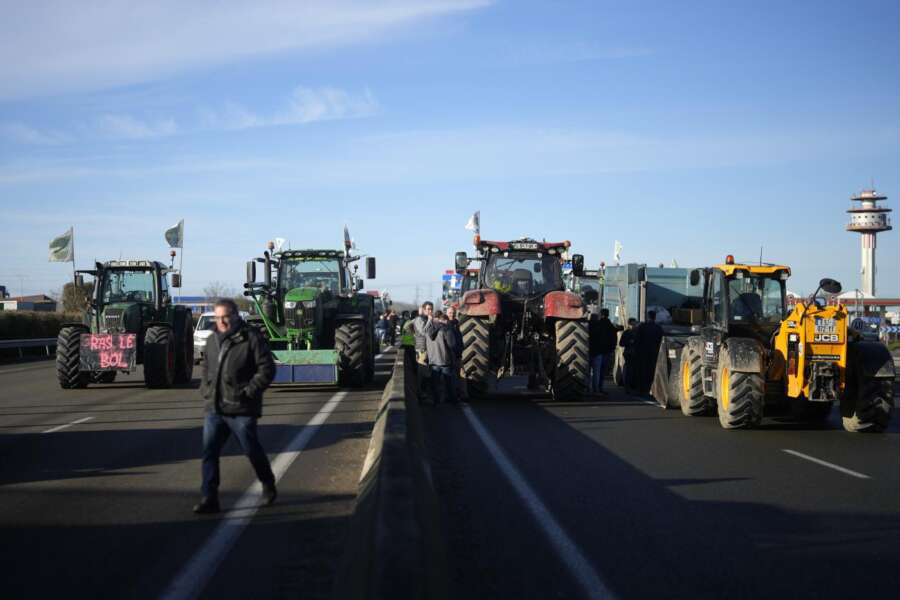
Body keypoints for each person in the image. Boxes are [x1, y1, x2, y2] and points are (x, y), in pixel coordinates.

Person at [195, 298, 277, 514]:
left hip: (241, 408)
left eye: (226, 317)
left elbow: (266, 369)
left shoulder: (251, 338)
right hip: (215, 408)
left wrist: (248, 393)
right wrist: (206, 389)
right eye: (218, 317)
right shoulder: (212, 339)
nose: (222, 322)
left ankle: (268, 484)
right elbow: (206, 368)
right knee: (209, 453)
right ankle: (209, 497)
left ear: (235, 316)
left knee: (251, 450)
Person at [425, 310, 459, 404]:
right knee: (449, 383)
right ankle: (452, 401)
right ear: (443, 320)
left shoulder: (428, 330)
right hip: (445, 360)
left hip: (433, 360)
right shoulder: (446, 329)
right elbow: (452, 344)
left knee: (435, 383)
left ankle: (436, 401)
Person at [589, 309, 618, 395]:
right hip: (601, 352)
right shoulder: (608, 325)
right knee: (599, 372)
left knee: (587, 372)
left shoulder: (589, 325)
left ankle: (586, 389)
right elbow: (613, 336)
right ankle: (597, 389)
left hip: (588, 352)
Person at [634, 311, 665, 395]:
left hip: (642, 352)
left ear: (647, 317)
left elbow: (637, 340)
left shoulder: (642, 326)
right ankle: (650, 388)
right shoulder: (658, 328)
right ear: (655, 317)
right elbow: (661, 340)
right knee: (652, 370)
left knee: (642, 370)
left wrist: (636, 351)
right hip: (654, 352)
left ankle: (641, 388)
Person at [413, 302, 434, 402]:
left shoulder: (426, 319)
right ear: (424, 309)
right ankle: (421, 393)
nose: (430, 311)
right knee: (423, 373)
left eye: (431, 309)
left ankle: (424, 393)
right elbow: (423, 332)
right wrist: (430, 321)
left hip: (428, 348)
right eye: (428, 309)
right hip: (422, 349)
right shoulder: (419, 319)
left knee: (425, 372)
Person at [445, 305, 466, 400]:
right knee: (451, 375)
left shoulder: (457, 324)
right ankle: (451, 395)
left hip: (458, 354)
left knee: (461, 374)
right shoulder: (445, 325)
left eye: (453, 313)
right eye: (450, 313)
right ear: (446, 314)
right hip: (449, 355)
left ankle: (463, 394)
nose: (452, 314)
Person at [619, 318, 639, 393]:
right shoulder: (626, 332)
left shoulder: (637, 332)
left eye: (635, 324)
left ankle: (633, 386)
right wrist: (629, 342)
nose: (634, 325)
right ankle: (627, 387)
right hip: (629, 353)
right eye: (632, 324)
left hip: (635, 353)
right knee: (629, 370)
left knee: (634, 370)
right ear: (629, 324)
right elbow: (621, 343)